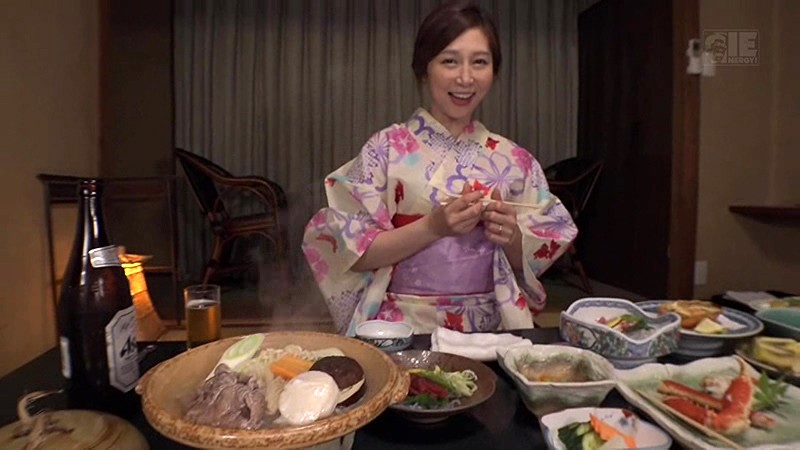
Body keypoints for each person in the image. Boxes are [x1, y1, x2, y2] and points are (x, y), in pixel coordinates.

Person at [302, 0, 577, 335]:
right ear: (424, 67)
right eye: (450, 61)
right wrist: (434, 226)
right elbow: (353, 254)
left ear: (494, 70)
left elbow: (535, 260)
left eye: (480, 62)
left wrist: (511, 237)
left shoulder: (514, 160)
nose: (465, 77)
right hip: (402, 326)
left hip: (489, 328)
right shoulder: (384, 149)